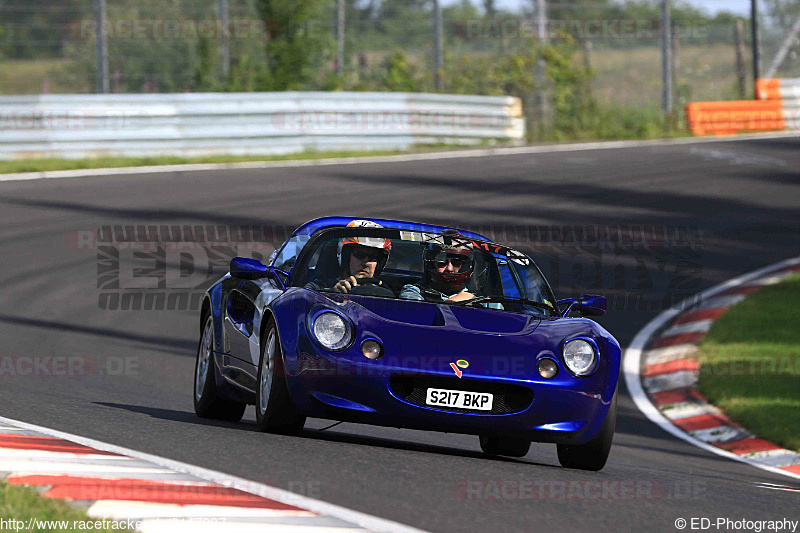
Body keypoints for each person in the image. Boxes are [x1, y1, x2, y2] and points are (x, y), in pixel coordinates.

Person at [305, 220, 392, 294]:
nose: (366, 263)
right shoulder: (318, 287)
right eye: (359, 255)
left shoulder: (387, 292)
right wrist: (333, 294)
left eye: (373, 258)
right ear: (345, 256)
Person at [399, 232, 477, 303]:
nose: (449, 268)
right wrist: (455, 302)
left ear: (464, 266)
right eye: (441, 263)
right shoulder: (413, 291)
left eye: (456, 263)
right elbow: (415, 315)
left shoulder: (480, 298)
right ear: (432, 264)